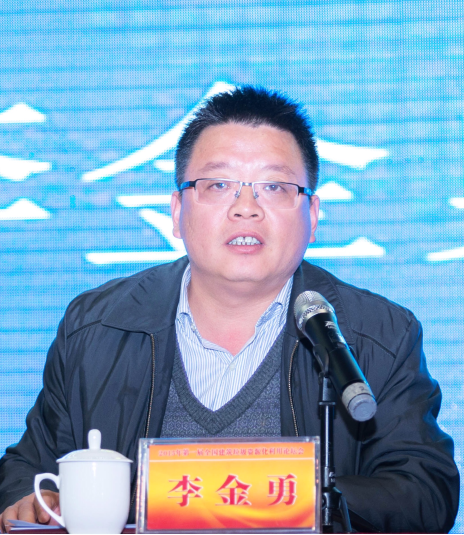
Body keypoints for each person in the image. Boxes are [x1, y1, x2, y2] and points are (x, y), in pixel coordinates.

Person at [0, 86, 459, 533]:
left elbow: (425, 492)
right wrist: (29, 498)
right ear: (176, 211)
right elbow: (29, 464)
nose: (246, 208)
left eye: (274, 186)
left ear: (313, 215)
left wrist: (303, 497)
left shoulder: (377, 334)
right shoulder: (96, 326)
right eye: (219, 185)